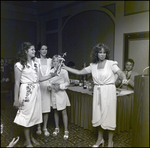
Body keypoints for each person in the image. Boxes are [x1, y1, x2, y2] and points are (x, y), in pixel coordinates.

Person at [62, 43, 128, 147]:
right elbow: (79, 72)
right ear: (96, 54)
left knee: (110, 115)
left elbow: (120, 72)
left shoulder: (111, 63)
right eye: (100, 52)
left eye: (104, 52)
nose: (102, 54)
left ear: (106, 54)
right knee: (98, 115)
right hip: (98, 91)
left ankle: (110, 141)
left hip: (109, 91)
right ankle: (100, 139)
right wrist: (65, 67)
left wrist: (123, 78)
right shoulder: (93, 66)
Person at [13, 42, 56, 147]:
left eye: (33, 49)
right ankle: (27, 141)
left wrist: (52, 74)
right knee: (27, 115)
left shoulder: (36, 64)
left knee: (34, 116)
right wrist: (16, 99)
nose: (34, 51)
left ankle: (31, 138)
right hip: (26, 91)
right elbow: (17, 83)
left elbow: (40, 78)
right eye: (31, 49)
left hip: (36, 91)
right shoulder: (19, 65)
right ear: (25, 51)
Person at [47, 55, 70, 140]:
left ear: (60, 62)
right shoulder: (51, 71)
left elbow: (67, 83)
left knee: (63, 112)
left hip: (61, 93)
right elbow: (48, 82)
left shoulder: (64, 71)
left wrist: (60, 86)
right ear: (52, 63)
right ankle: (57, 127)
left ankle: (66, 130)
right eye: (54, 61)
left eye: (57, 61)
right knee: (55, 111)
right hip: (53, 93)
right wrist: (49, 86)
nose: (56, 63)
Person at [35, 42, 52, 137]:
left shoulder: (50, 60)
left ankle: (44, 127)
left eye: (46, 49)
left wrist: (50, 83)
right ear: (39, 51)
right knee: (38, 107)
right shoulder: (36, 60)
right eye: (42, 49)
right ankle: (38, 126)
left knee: (46, 108)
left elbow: (52, 73)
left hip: (47, 85)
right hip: (38, 85)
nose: (44, 51)